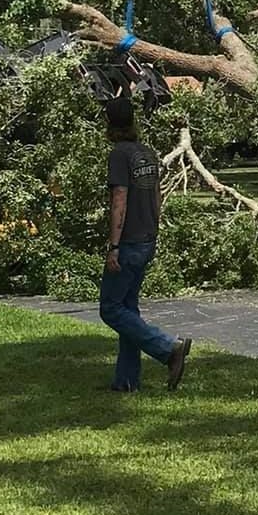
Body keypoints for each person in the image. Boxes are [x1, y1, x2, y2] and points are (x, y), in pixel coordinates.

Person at [98, 95, 191, 391]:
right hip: (147, 238)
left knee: (111, 309)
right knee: (128, 308)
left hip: (128, 242)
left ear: (109, 124)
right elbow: (157, 196)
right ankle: (126, 382)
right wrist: (154, 230)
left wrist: (113, 245)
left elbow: (119, 199)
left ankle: (168, 348)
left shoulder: (119, 155)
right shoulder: (147, 153)